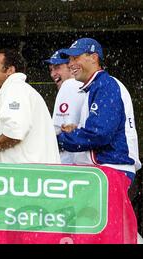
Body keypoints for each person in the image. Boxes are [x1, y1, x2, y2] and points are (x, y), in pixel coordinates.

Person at [58, 37, 141, 181]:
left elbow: (99, 134)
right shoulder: (97, 86)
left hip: (111, 170)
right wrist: (77, 130)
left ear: (94, 57)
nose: (71, 64)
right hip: (106, 170)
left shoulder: (106, 85)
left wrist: (59, 140)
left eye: (76, 57)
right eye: (69, 59)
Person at [0, 49, 60, 164]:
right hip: (34, 173)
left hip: (26, 175)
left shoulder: (14, 88)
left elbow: (15, 131)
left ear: (10, 70)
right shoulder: (21, 89)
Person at [44, 49, 86, 164]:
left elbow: (57, 132)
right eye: (51, 69)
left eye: (57, 67)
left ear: (72, 68)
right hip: (87, 162)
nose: (52, 74)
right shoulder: (88, 85)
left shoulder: (70, 85)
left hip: (69, 164)